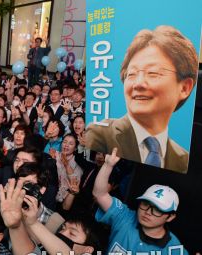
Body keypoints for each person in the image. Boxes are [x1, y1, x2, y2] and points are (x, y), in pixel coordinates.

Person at [85, 25, 198, 173]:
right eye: (131, 74)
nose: (138, 84)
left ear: (184, 87)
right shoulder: (100, 134)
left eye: (153, 73)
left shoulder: (182, 158)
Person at [93, 148, 197, 255]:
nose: (148, 212)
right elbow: (100, 194)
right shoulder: (126, 216)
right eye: (145, 204)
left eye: (157, 209)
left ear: (170, 216)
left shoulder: (176, 254)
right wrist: (108, 165)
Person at [0, 179, 99, 255]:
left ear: (87, 249)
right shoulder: (45, 251)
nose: (62, 233)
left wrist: (33, 223)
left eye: (72, 233)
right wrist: (17, 221)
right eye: (63, 228)